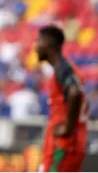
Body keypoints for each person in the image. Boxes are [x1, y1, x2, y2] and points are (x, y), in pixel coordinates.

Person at [36, 25, 88, 172]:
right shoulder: (66, 68)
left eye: (39, 41)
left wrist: (67, 127)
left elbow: (75, 93)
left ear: (49, 42)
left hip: (63, 146)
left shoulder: (62, 68)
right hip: (73, 144)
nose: (36, 47)